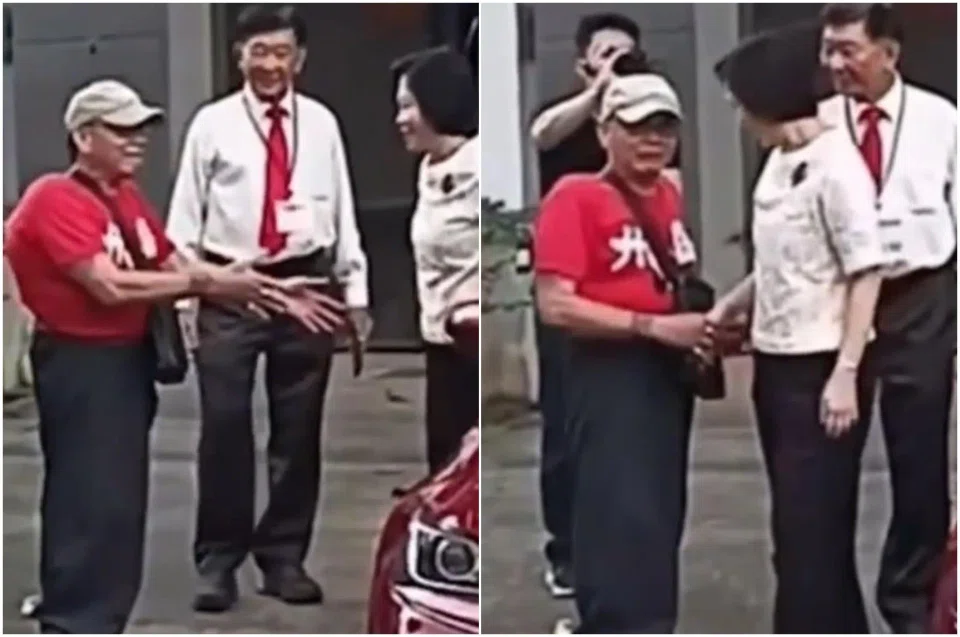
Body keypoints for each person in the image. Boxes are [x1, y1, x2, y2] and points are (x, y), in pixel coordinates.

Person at [3, 78, 338, 634]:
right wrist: (208, 285)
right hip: (82, 365)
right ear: (84, 137)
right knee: (89, 496)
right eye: (122, 130)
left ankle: (103, 612)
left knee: (120, 500)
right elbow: (109, 286)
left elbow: (170, 260)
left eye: (142, 130)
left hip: (124, 363)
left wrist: (264, 288)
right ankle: (73, 616)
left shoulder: (124, 198)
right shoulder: (53, 199)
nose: (138, 141)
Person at [165, 5, 371, 613]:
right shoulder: (212, 125)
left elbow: (345, 213)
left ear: (299, 59)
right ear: (240, 57)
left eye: (282, 53)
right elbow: (183, 222)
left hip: (305, 285)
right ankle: (218, 559)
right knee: (225, 427)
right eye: (260, 52)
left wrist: (353, 294)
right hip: (232, 285)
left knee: (298, 428)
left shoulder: (323, 124)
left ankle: (283, 556)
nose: (271, 64)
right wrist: (187, 297)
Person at [707, 22, 889, 633]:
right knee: (795, 529)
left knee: (812, 532)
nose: (739, 118)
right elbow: (782, 261)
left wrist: (846, 371)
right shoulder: (781, 164)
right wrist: (732, 304)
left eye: (740, 105)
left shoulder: (838, 166)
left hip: (822, 367)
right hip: (776, 362)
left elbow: (866, 272)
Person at [534, 73, 704, 633]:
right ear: (605, 131)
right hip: (608, 368)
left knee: (659, 509)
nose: (652, 140)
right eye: (636, 128)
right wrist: (649, 326)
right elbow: (556, 305)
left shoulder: (669, 195)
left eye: (664, 128)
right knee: (618, 506)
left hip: (665, 372)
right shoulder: (575, 196)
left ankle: (653, 621)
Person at [816, 5, 957, 632]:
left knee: (920, 460)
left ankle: (908, 601)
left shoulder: (940, 119)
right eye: (829, 51)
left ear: (889, 54)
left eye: (848, 50)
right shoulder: (817, 123)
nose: (834, 65)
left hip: (920, 296)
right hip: (837, 300)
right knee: (827, 458)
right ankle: (831, 606)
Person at [529, 12, 657, 600]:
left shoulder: (649, 120)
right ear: (584, 62)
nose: (618, 62)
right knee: (564, 428)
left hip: (626, 295)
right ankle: (564, 547)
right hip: (570, 293)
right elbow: (542, 136)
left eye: (627, 54)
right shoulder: (572, 115)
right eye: (606, 53)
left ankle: (619, 548)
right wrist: (600, 92)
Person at [392, 47, 479, 474]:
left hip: (474, 346)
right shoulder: (428, 167)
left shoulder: (481, 166)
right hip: (441, 347)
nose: (399, 120)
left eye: (408, 105)